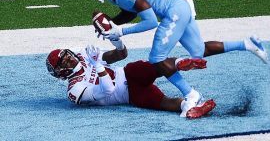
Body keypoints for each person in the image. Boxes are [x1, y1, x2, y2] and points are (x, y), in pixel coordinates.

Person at [84, 0, 268, 117]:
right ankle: (248, 44)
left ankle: (191, 94)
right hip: (179, 6)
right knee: (199, 51)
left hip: (174, 12)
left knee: (156, 59)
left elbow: (150, 22)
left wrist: (121, 32)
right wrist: (114, 23)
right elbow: (131, 11)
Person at [46, 39, 216, 119]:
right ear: (60, 73)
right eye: (64, 62)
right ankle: (189, 105)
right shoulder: (74, 91)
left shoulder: (83, 55)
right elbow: (108, 90)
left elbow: (121, 54)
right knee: (165, 103)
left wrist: (116, 40)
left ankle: (180, 62)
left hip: (129, 73)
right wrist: (97, 65)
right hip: (131, 96)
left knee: (157, 65)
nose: (70, 59)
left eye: (67, 55)